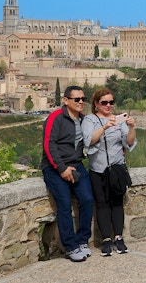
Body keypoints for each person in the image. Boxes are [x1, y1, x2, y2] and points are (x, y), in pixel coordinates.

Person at [81, 88, 137, 255]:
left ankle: (118, 238)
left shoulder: (120, 120)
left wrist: (132, 127)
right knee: (102, 204)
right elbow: (89, 140)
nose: (108, 106)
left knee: (117, 204)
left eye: (111, 102)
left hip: (116, 168)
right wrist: (105, 126)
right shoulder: (90, 120)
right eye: (104, 102)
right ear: (96, 104)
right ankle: (106, 240)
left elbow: (129, 142)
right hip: (98, 169)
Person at [41, 85, 94, 262]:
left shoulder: (84, 119)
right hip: (54, 168)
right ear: (66, 100)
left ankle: (82, 241)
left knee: (87, 199)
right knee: (64, 203)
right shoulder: (55, 118)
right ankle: (70, 247)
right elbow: (49, 145)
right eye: (76, 99)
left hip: (76, 165)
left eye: (83, 99)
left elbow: (91, 141)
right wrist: (62, 168)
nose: (80, 102)